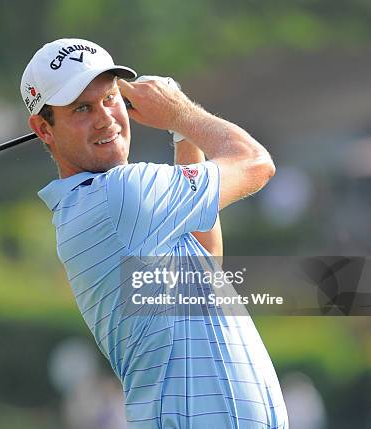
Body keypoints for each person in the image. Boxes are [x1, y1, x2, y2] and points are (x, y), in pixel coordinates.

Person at [21, 38, 288, 428]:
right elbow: (255, 163)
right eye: (81, 108)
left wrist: (184, 138)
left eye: (111, 98)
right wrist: (179, 113)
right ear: (44, 129)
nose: (105, 118)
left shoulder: (105, 205)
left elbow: (205, 257)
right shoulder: (119, 195)